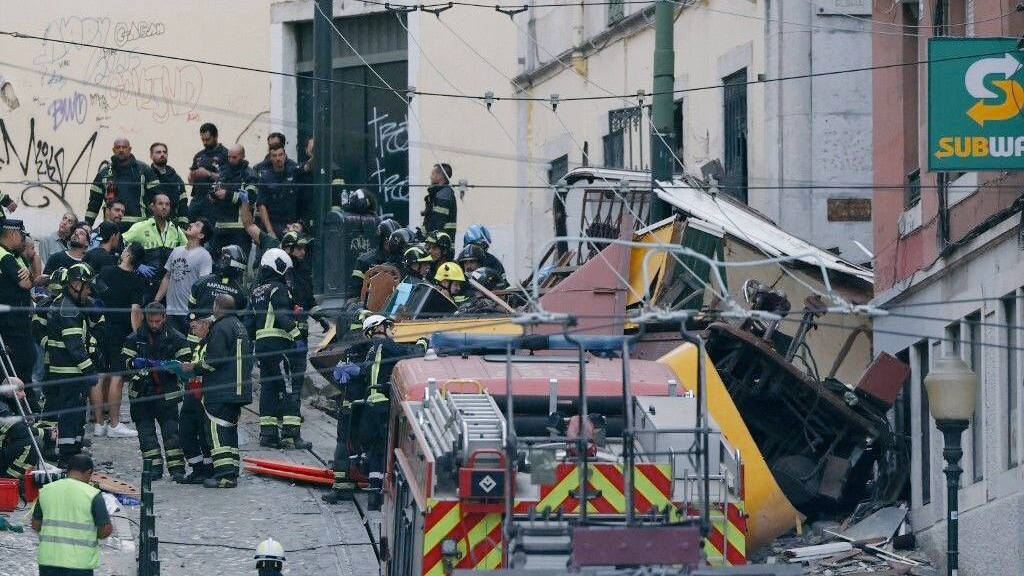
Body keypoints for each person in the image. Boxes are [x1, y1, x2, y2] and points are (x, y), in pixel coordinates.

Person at [324, 315, 425, 509]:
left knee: (355, 446)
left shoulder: (360, 350)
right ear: (378, 328)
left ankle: (348, 487)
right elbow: (408, 354)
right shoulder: (382, 347)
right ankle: (371, 493)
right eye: (389, 327)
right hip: (373, 406)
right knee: (376, 448)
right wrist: (421, 343)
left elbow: (350, 374)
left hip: (358, 406)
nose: (392, 332)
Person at [122, 303, 190, 481]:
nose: (154, 325)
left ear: (164, 317)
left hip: (167, 393)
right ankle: (153, 469)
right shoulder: (134, 338)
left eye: (157, 321)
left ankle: (177, 470)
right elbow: (124, 364)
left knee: (172, 434)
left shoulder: (177, 338)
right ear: (145, 318)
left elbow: (187, 365)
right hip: (141, 394)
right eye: (151, 321)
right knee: (146, 435)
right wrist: (134, 364)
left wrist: (170, 367)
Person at [250, 248, 308, 449]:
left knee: (268, 389)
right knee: (289, 386)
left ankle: (267, 434)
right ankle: (292, 435)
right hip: (278, 346)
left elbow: (250, 324)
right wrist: (298, 336)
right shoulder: (279, 289)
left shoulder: (256, 291)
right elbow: (283, 317)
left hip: (262, 349)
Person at [194, 294, 253, 488]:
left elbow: (214, 361)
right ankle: (232, 470)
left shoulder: (220, 327)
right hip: (238, 390)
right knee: (229, 431)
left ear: (217, 307)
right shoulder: (240, 326)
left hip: (220, 389)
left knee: (216, 431)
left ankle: (224, 475)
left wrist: (194, 368)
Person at [44, 263, 101, 465]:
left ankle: (74, 451)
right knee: (71, 416)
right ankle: (68, 456)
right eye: (86, 287)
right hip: (71, 372)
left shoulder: (65, 304)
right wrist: (90, 369)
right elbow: (75, 346)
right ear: (75, 284)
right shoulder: (70, 311)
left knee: (76, 414)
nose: (89, 291)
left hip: (65, 371)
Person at [91, 243, 146, 439]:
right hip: (120, 332)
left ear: (128, 255)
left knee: (98, 375)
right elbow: (135, 311)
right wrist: (138, 336)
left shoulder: (106, 272)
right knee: (118, 377)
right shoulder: (137, 280)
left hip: (100, 328)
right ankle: (114, 424)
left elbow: (95, 293)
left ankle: (98, 424)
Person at [32, 454, 113, 576]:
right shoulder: (93, 494)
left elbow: (36, 524)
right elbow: (105, 529)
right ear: (89, 472)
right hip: (80, 563)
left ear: (68, 470)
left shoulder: (46, 491)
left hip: (48, 560)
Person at [121, 193, 187, 302]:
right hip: (144, 285)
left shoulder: (175, 229)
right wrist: (136, 265)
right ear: (152, 207)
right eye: (160, 204)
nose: (164, 207)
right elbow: (119, 244)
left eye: (167, 204)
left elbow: (188, 251)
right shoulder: (141, 227)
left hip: (168, 287)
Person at [0, 220, 37, 409]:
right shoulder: (4, 256)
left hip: (19, 324)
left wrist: (29, 275)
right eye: (22, 236)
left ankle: (28, 404)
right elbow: (26, 284)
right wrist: (28, 278)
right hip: (11, 327)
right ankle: (20, 408)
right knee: (18, 369)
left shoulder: (14, 256)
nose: (23, 240)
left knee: (26, 365)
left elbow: (31, 279)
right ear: (13, 234)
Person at [85, 137, 160, 230]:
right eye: (118, 147)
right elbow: (94, 203)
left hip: (140, 228)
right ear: (113, 150)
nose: (121, 150)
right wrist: (87, 225)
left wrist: (157, 225)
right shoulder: (103, 174)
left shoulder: (145, 171)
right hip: (111, 228)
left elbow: (157, 199)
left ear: (130, 149)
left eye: (124, 147)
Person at [155, 218, 214, 335]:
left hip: (188, 313)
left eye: (197, 225)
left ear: (201, 235)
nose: (191, 224)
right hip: (170, 311)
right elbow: (167, 277)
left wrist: (198, 314)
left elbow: (204, 285)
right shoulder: (176, 250)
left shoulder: (204, 255)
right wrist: (156, 301)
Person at [179, 316, 212, 484]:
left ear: (205, 325)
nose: (192, 331)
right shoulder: (199, 345)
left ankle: (207, 469)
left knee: (203, 433)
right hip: (192, 393)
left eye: (195, 327)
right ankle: (196, 467)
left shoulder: (211, 343)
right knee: (186, 430)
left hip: (204, 395)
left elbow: (209, 366)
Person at [209, 144, 256, 253]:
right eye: (229, 157)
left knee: (238, 263)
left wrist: (227, 195)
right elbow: (214, 188)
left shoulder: (249, 174)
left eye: (234, 157)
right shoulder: (223, 173)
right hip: (220, 228)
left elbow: (251, 197)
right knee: (217, 263)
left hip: (239, 230)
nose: (230, 160)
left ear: (243, 156)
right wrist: (213, 195)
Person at [189, 245, 249, 328]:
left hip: (197, 333)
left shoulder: (202, 282)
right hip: (222, 335)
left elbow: (191, 307)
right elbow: (240, 319)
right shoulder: (241, 292)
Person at [255, 144, 301, 239]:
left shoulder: (294, 172)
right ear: (270, 158)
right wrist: (270, 231)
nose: (278, 158)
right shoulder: (265, 178)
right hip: (273, 224)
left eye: (280, 155)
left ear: (285, 156)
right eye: (274, 156)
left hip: (291, 225)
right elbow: (261, 206)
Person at [348, 219, 401, 299]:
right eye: (388, 241)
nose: (392, 245)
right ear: (381, 240)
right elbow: (354, 294)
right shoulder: (365, 261)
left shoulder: (403, 260)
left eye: (395, 242)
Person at [0, 377, 35, 480]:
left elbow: (25, 425)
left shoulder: (13, 405)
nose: (24, 394)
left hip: (3, 449)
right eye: (20, 390)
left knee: (34, 440)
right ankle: (9, 480)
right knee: (33, 442)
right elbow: (17, 431)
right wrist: (46, 433)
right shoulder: (2, 408)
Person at [150, 142, 189, 228]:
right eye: (158, 152)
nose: (162, 154)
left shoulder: (176, 178)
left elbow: (183, 202)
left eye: (164, 152)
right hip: (153, 223)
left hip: (172, 223)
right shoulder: (148, 176)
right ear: (151, 156)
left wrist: (183, 223)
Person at [188, 123, 229, 204]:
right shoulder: (199, 155)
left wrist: (208, 174)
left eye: (207, 139)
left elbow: (229, 180)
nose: (204, 143)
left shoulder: (226, 155)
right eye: (202, 140)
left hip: (215, 201)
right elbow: (190, 182)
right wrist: (192, 175)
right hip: (197, 200)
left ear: (216, 136)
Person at [422, 163, 456, 237]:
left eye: (433, 174)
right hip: (435, 244)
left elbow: (437, 222)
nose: (430, 177)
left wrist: (427, 236)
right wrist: (422, 234)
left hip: (441, 245)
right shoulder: (436, 194)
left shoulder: (444, 194)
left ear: (440, 176)